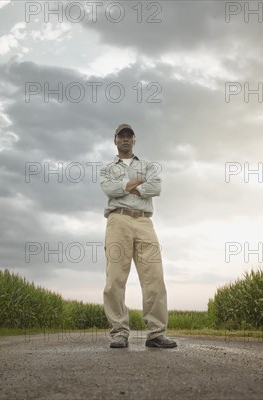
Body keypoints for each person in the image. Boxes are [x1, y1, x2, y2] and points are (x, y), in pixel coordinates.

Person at [99, 123, 177, 349]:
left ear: (134, 140)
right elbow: (109, 190)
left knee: (154, 276)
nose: (125, 139)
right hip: (118, 220)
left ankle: (155, 334)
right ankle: (119, 332)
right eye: (120, 136)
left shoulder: (147, 165)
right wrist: (139, 182)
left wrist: (127, 187)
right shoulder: (106, 168)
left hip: (144, 221)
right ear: (115, 140)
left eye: (129, 136)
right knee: (115, 278)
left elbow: (157, 188)